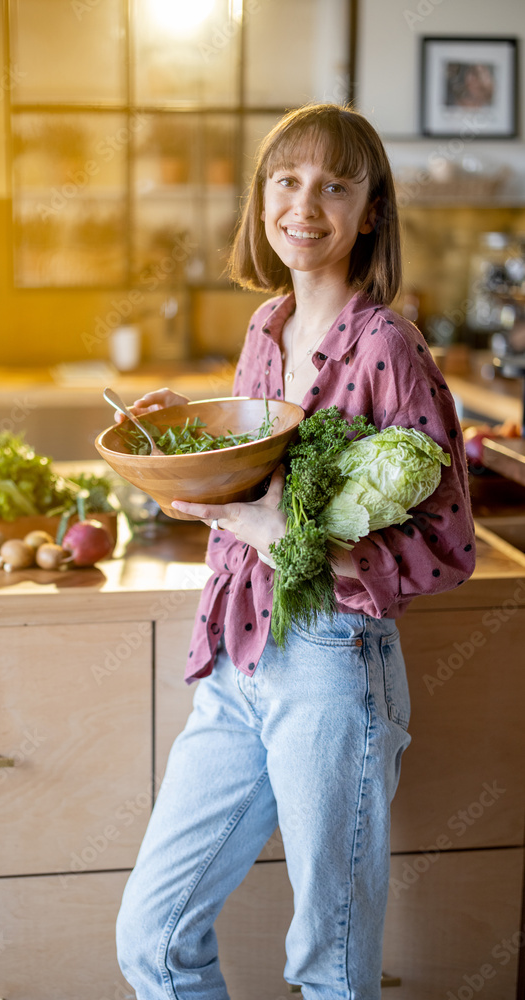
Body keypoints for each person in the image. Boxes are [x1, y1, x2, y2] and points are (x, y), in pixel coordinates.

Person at [115, 103, 475, 1000]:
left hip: (331, 662)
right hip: (238, 656)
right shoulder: (264, 328)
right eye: (285, 180)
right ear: (260, 198)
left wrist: (298, 544)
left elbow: (451, 543)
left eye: (333, 185)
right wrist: (174, 449)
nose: (303, 205)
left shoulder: (387, 344)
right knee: (151, 939)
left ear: (369, 211)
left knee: (330, 961)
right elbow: (252, 492)